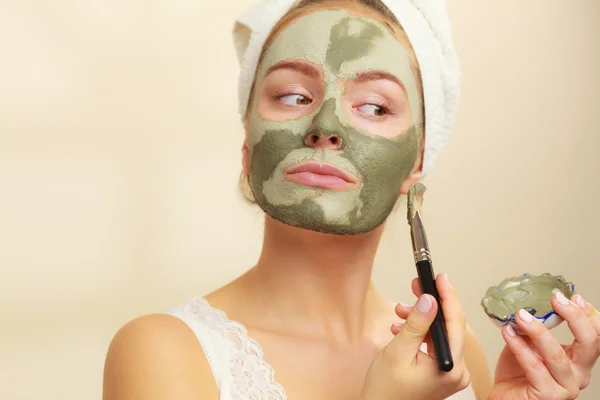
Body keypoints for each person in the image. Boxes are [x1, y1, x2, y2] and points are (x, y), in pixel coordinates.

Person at [102, 0, 600, 399]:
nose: (325, 128)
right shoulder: (163, 351)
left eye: (374, 106)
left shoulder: (452, 356)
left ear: (418, 160)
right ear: (247, 142)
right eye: (294, 96)